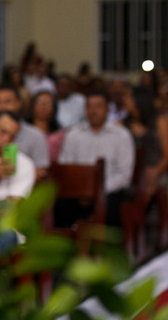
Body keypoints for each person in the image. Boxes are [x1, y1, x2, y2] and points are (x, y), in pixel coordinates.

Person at [57, 91, 136, 228]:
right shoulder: (73, 134)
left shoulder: (121, 135)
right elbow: (66, 166)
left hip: (108, 191)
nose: (93, 111)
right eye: (89, 107)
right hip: (78, 191)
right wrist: (82, 191)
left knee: (112, 207)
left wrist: (96, 191)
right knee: (59, 204)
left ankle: (106, 247)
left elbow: (124, 175)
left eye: (98, 106)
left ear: (107, 109)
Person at [0, 84, 51, 178]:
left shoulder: (36, 136)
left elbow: (41, 172)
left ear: (18, 104)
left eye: (7, 102)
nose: (2, 106)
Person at [29, 90, 66, 164]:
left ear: (54, 108)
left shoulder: (59, 134)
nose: (43, 105)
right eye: (40, 102)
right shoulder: (23, 129)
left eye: (48, 103)